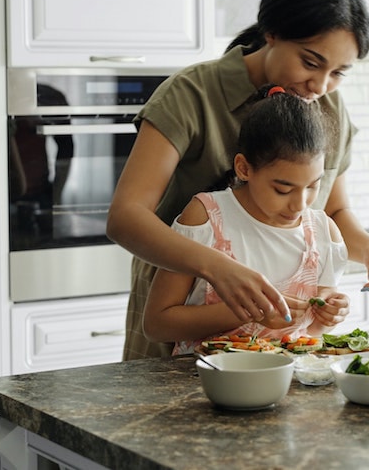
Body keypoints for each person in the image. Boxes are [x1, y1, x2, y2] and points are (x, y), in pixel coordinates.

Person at [106, 0, 369, 360]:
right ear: (272, 33)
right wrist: (218, 268)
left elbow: (332, 210)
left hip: (278, 345)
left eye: (338, 73)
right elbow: (125, 217)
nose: (321, 85)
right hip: (181, 314)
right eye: (310, 62)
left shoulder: (327, 105)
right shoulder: (191, 94)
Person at [143, 88, 349, 355]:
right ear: (244, 168)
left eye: (313, 186)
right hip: (204, 383)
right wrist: (246, 312)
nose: (300, 204)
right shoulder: (206, 217)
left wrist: (330, 315)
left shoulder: (323, 232)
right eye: (283, 189)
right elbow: (157, 325)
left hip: (288, 383)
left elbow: (312, 333)